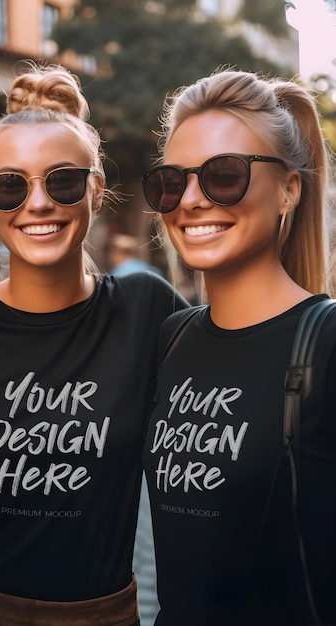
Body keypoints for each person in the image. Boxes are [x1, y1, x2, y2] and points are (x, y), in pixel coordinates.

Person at [0, 62, 187, 626]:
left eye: (63, 180)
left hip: (97, 614)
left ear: (96, 190)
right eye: (11, 184)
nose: (38, 203)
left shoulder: (146, 307)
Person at [141, 69, 336, 625]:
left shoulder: (326, 342)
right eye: (172, 182)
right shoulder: (171, 340)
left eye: (224, 175)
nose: (193, 201)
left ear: (290, 188)